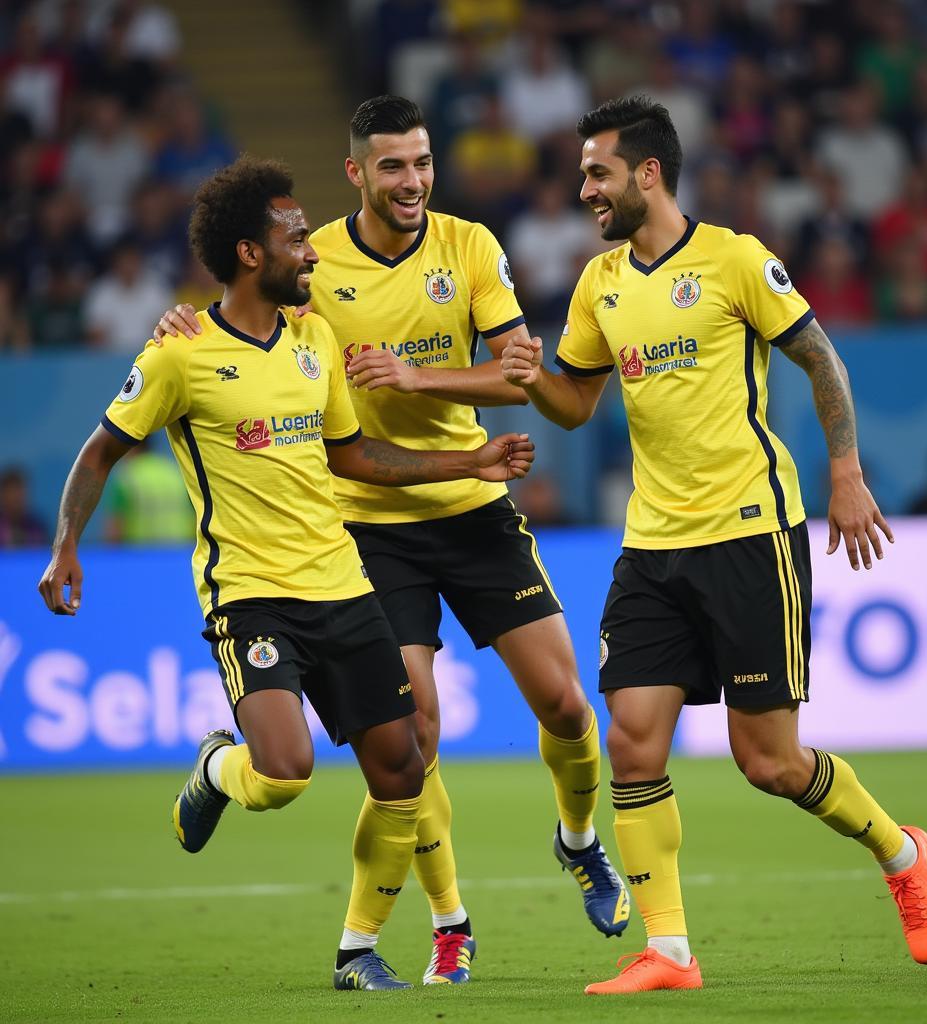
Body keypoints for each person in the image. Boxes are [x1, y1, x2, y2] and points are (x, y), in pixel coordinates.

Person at [154, 95, 630, 986]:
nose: (411, 182)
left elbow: (519, 370)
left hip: (469, 496)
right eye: (392, 167)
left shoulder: (469, 246)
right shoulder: (313, 261)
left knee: (567, 705)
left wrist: (420, 376)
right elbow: (240, 319)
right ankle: (422, 930)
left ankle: (579, 841)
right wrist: (178, 320)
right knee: (414, 732)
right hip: (369, 526)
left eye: (421, 163)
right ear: (357, 174)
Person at [38, 156, 535, 992]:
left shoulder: (314, 339)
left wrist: (470, 460)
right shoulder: (178, 356)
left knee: (403, 768)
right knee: (282, 773)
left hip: (342, 582)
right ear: (247, 254)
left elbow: (356, 455)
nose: (312, 250)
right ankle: (213, 770)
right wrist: (65, 545)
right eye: (295, 237)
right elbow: (101, 450)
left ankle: (356, 951)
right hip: (251, 597)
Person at [501, 96, 927, 995]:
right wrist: (532, 381)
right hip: (652, 545)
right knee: (632, 742)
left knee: (769, 763)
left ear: (649, 173)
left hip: (751, 534)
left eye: (598, 172)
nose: (584, 188)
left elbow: (822, 359)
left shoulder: (735, 259)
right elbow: (578, 401)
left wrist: (847, 473)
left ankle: (902, 852)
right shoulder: (600, 284)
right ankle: (668, 951)